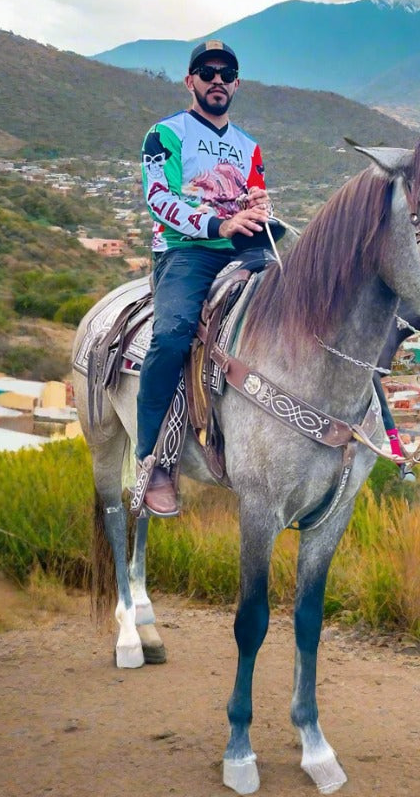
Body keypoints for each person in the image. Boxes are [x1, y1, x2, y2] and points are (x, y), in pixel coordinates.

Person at [136, 40, 271, 516]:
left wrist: (259, 209)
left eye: (226, 72)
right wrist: (218, 224)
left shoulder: (249, 146)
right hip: (185, 250)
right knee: (172, 336)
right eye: (206, 71)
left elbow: (256, 195)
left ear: (237, 83)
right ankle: (151, 459)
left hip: (244, 244)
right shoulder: (164, 134)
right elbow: (159, 198)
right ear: (190, 80)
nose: (217, 79)